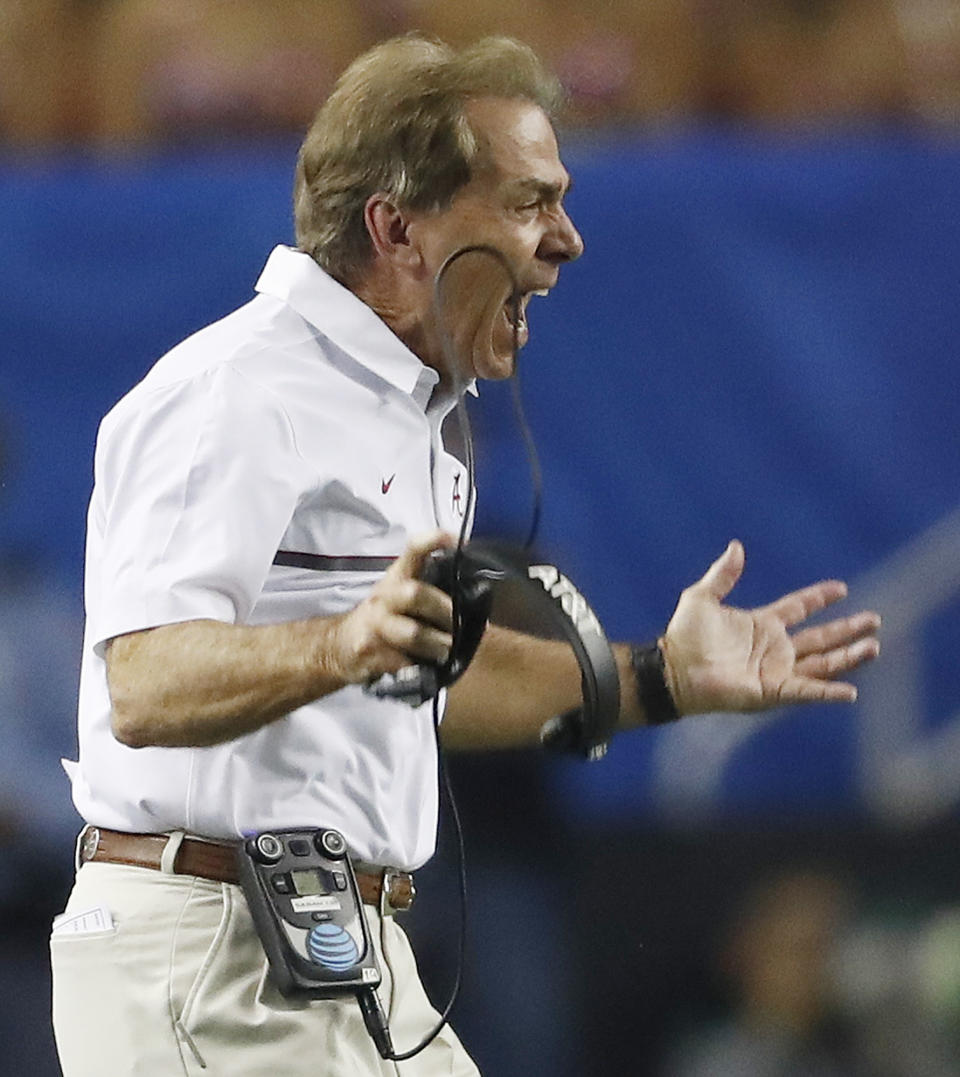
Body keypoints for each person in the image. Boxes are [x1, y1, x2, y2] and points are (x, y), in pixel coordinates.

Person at [49, 33, 881, 1077]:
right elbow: (143, 681)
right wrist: (343, 643)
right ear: (397, 227)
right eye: (529, 203)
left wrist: (663, 680)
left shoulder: (414, 414)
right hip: (211, 955)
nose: (568, 240)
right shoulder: (236, 391)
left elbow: (423, 685)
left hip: (337, 951)